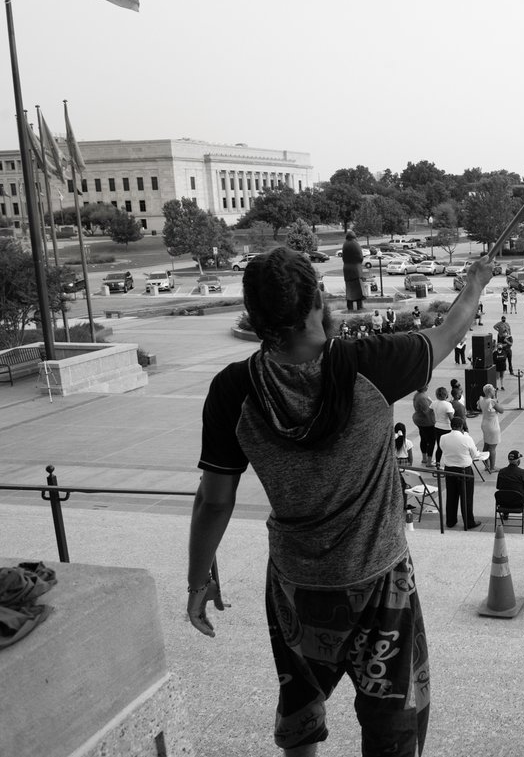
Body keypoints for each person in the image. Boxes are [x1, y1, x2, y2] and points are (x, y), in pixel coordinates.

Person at [187, 248, 491, 755]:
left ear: (257, 316)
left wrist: (198, 579)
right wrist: (476, 284)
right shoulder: (369, 365)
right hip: (380, 582)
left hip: (295, 584)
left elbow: (214, 500)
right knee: (392, 714)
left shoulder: (233, 390)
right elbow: (446, 335)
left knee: (301, 699)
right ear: (315, 304)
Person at [441, 416, 483, 529]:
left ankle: (450, 521)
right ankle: (468, 522)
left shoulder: (443, 437)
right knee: (467, 497)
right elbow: (475, 455)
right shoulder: (466, 438)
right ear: (461, 427)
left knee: (451, 496)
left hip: (449, 469)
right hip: (464, 470)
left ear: (451, 426)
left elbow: (443, 449)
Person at [479, 384, 503, 471]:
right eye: (493, 390)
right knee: (492, 447)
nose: (494, 391)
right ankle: (492, 467)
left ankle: (486, 465)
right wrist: (496, 401)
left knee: (486, 444)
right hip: (492, 426)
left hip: (485, 424)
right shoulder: (492, 402)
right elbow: (501, 410)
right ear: (490, 391)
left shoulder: (481, 399)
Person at [340, 230, 365, 311]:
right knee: (358, 288)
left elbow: (343, 258)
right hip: (355, 269)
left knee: (349, 288)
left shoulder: (345, 244)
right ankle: (359, 306)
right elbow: (360, 257)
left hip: (347, 269)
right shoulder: (355, 244)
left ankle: (350, 307)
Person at [412, 384, 437, 467]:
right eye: (426, 385)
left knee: (423, 438)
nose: (428, 386)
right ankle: (429, 461)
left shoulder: (417, 395)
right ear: (422, 387)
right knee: (431, 440)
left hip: (419, 420)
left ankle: (424, 458)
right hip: (426, 421)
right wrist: (436, 407)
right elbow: (427, 411)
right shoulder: (422, 397)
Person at [431, 386, 454, 463]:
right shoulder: (447, 405)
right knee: (448, 446)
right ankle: (449, 462)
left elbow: (429, 412)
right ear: (446, 395)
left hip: (437, 426)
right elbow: (451, 418)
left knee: (439, 446)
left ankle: (437, 463)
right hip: (446, 427)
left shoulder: (434, 403)